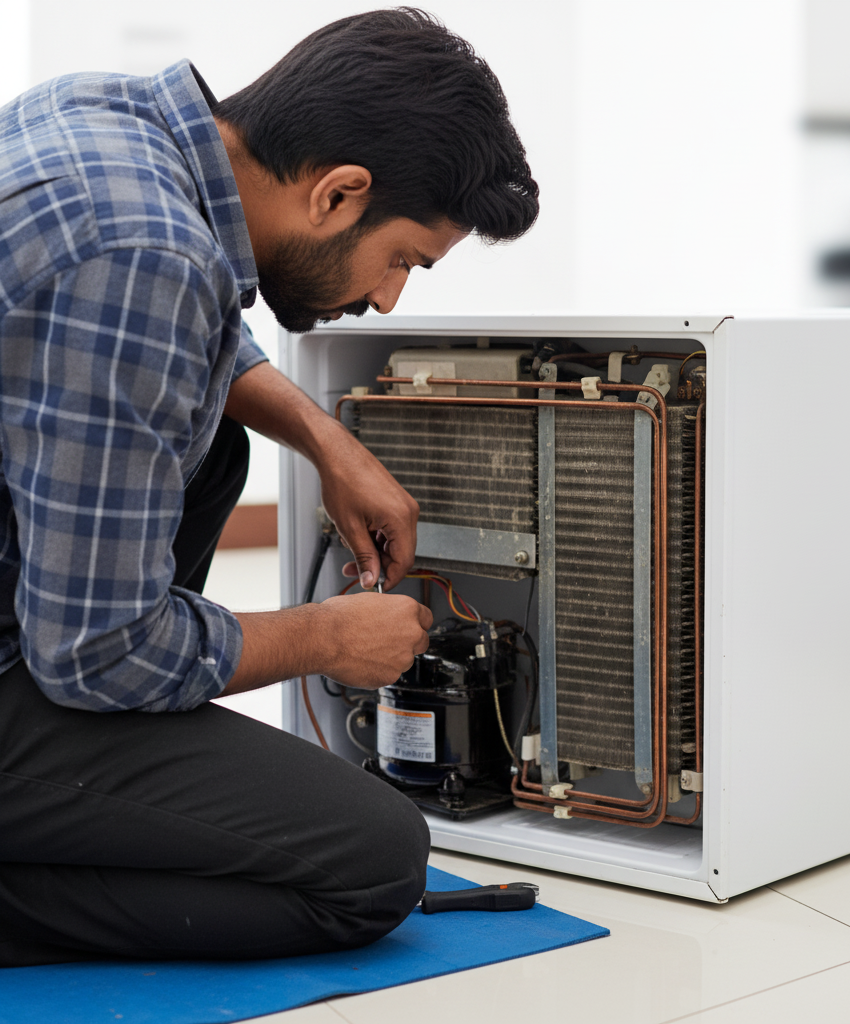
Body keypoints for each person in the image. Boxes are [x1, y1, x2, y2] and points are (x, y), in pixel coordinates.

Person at [0, 8, 538, 966]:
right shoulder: (143, 255)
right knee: (375, 862)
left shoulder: (110, 122)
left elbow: (176, 323)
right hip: (59, 652)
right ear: (339, 194)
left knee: (217, 450)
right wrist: (323, 638)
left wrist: (326, 438)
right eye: (405, 257)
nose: (387, 300)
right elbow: (96, 653)